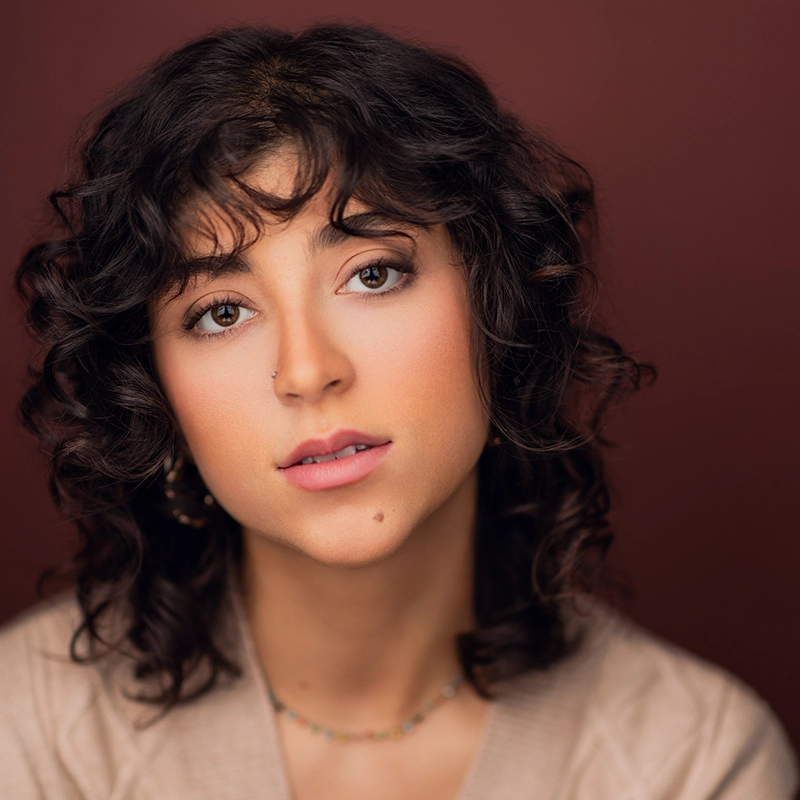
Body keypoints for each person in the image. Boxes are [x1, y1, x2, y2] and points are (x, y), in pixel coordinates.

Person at [1, 23, 795, 800]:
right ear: (154, 392)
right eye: (220, 312)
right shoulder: (29, 736)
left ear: (499, 310)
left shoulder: (691, 759)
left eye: (373, 274)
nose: (308, 371)